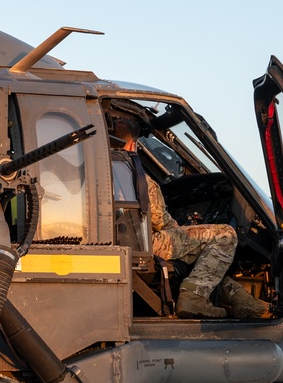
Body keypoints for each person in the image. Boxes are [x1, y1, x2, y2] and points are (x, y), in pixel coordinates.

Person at [114, 119, 271, 319]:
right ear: (132, 144)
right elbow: (160, 220)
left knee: (202, 255)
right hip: (142, 243)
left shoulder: (98, 170)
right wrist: (182, 229)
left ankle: (243, 303)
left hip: (122, 241)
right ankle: (194, 299)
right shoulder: (135, 177)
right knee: (224, 235)